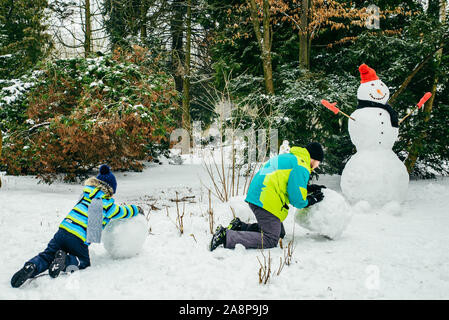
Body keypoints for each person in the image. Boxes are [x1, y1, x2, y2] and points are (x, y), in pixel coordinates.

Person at [10, 164, 144, 288]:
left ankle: (31, 266)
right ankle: (65, 262)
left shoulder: (84, 195)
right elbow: (123, 212)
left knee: (47, 255)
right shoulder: (107, 204)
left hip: (63, 230)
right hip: (79, 238)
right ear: (110, 190)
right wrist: (136, 209)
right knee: (84, 261)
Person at [210, 142, 326, 251]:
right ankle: (226, 236)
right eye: (318, 163)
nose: (317, 166)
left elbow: (286, 183)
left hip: (260, 194)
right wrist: (311, 199)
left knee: (279, 233)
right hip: (265, 198)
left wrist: (309, 189)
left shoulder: (292, 158)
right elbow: (297, 199)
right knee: (270, 239)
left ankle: (239, 226)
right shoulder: (302, 165)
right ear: (314, 158)